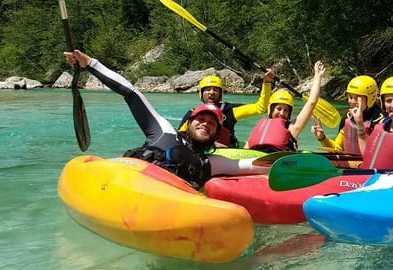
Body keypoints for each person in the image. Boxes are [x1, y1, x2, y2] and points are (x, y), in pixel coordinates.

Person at [64, 50, 268, 188]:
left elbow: (251, 165)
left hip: (164, 201)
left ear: (216, 134)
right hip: (127, 183)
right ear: (190, 122)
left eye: (212, 123)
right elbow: (131, 93)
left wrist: (292, 168)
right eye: (201, 119)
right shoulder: (164, 132)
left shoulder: (211, 162)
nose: (206, 123)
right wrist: (90, 63)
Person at [179, 68, 276, 148]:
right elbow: (179, 135)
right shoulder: (192, 113)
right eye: (208, 89)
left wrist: (267, 82)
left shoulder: (230, 110)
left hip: (226, 152)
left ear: (220, 94)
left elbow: (261, 107)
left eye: (215, 90)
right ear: (201, 93)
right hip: (201, 150)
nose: (212, 92)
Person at [245, 61, 327, 152]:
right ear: (271, 109)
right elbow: (246, 149)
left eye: (286, 110)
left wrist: (318, 76)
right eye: (279, 109)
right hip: (255, 160)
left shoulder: (291, 128)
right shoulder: (260, 128)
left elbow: (311, 102)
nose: (282, 113)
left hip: (276, 160)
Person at [311, 75, 384, 154]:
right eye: (350, 97)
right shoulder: (347, 119)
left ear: (370, 98)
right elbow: (338, 149)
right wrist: (322, 137)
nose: (352, 101)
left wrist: (359, 124)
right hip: (350, 165)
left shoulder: (382, 122)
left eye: (357, 98)